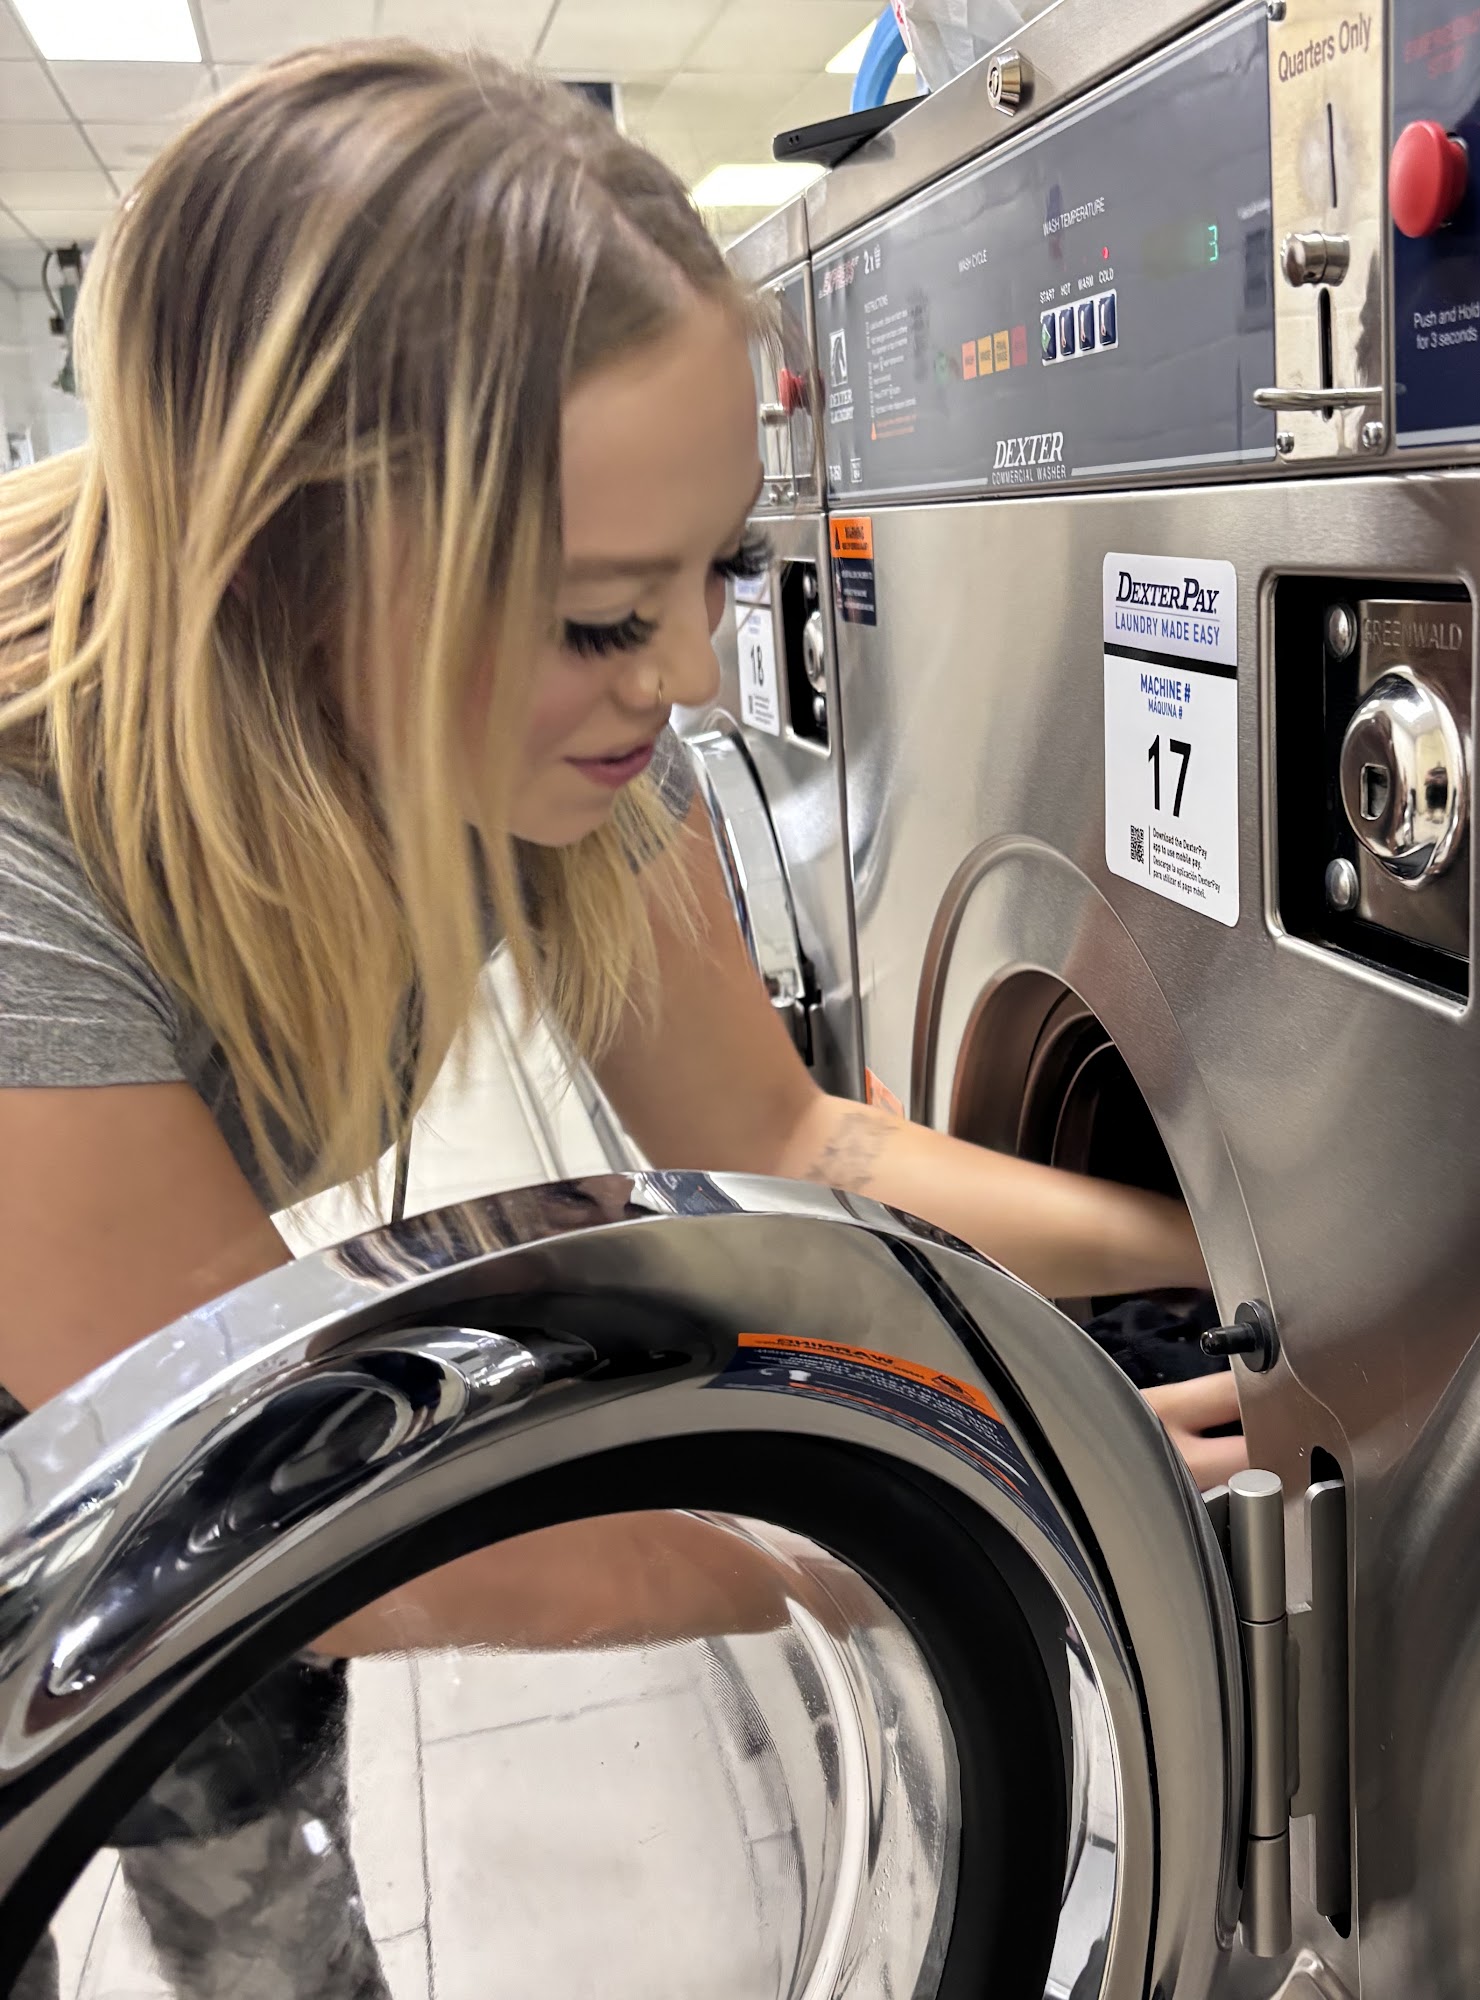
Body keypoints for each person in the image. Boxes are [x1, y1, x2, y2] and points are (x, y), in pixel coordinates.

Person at [0, 44, 1244, 1996]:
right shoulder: (31, 841)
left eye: (714, 572)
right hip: (74, 1414)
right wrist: (928, 1522)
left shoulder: (566, 726)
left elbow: (798, 1139)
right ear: (292, 558)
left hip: (171, 1397)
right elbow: (310, 1527)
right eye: (598, 616)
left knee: (253, 1825)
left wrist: (1240, 1265)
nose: (686, 680)